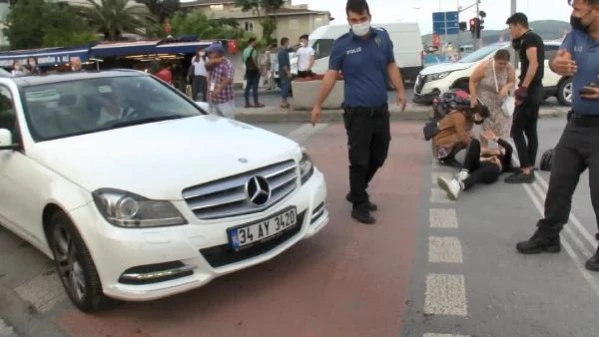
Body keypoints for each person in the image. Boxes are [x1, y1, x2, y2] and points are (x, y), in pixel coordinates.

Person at [516, 0, 599, 271]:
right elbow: (555, 61)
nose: (572, 14)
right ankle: (549, 235)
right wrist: (558, 64)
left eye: (578, 9)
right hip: (575, 125)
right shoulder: (576, 34)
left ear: (597, 10)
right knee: (558, 182)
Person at [309, 0, 407, 224]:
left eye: (363, 19)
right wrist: (318, 104)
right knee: (359, 160)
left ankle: (357, 191)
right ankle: (359, 204)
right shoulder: (341, 45)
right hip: (357, 114)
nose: (359, 23)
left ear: (369, 16)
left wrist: (400, 90)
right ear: (348, 20)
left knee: (379, 155)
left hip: (380, 111)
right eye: (354, 20)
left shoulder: (382, 38)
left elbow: (391, 65)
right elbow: (331, 75)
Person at [504, 13, 545, 184]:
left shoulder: (529, 39)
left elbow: (533, 64)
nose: (510, 31)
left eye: (511, 28)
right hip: (536, 90)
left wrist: (523, 87)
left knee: (516, 130)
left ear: (518, 25)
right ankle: (529, 164)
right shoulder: (531, 38)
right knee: (530, 130)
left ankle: (526, 170)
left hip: (530, 90)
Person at [437, 129, 513, 200]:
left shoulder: (505, 160)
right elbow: (473, 157)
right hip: (479, 165)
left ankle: (457, 186)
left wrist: (495, 138)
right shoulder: (488, 154)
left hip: (492, 170)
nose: (497, 150)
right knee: (475, 142)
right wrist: (487, 157)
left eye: (499, 150)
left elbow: (509, 148)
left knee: (485, 170)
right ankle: (463, 174)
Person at [469, 49, 517, 142]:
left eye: (505, 63)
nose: (502, 66)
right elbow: (472, 80)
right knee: (485, 130)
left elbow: (512, 82)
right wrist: (473, 97)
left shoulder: (509, 68)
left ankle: (502, 151)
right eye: (500, 63)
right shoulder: (485, 67)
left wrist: (506, 87)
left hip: (501, 103)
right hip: (485, 101)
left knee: (503, 129)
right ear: (495, 60)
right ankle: (484, 152)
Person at [205, 43, 236, 119]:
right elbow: (206, 66)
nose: (208, 55)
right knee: (216, 123)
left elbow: (228, 78)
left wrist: (218, 89)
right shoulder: (213, 63)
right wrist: (213, 61)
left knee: (228, 122)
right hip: (213, 100)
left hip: (224, 101)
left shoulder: (227, 64)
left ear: (217, 53)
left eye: (210, 52)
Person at [242, 38, 264, 108]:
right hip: (254, 70)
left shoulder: (244, 50)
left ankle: (247, 103)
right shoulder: (253, 50)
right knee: (255, 87)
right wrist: (258, 68)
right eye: (255, 42)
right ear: (252, 42)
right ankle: (256, 103)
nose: (255, 44)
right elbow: (254, 60)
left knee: (247, 87)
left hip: (248, 70)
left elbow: (243, 61)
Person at [277, 37, 292, 108]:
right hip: (284, 73)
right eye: (288, 42)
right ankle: (283, 102)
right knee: (285, 87)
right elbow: (284, 65)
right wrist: (288, 73)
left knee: (285, 87)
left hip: (283, 72)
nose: (289, 43)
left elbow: (290, 49)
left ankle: (285, 102)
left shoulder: (283, 51)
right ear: (285, 42)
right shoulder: (282, 52)